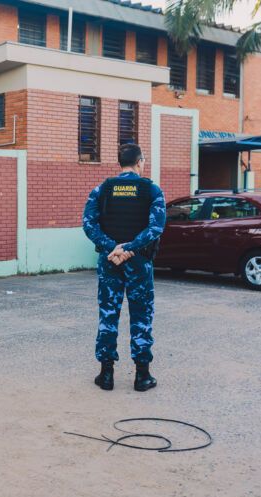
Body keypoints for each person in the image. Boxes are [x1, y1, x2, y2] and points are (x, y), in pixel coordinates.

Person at [82, 143, 166, 392]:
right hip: (139, 262)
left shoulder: (103, 189)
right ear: (140, 162)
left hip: (110, 262)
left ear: (120, 163)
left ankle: (106, 375)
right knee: (141, 315)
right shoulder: (151, 189)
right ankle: (142, 376)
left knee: (108, 315)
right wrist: (130, 247)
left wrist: (113, 247)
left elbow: (88, 224)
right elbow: (156, 227)